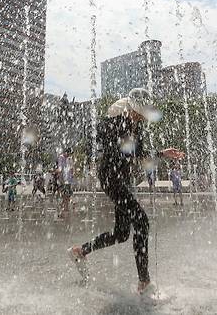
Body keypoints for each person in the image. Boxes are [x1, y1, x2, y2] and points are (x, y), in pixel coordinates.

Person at [67, 88, 184, 294]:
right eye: (137, 113)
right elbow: (101, 139)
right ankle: (144, 282)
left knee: (121, 234)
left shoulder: (135, 124)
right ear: (130, 107)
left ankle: (81, 250)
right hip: (111, 178)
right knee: (141, 221)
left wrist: (162, 153)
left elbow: (138, 153)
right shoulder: (113, 121)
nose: (140, 117)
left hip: (122, 178)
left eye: (142, 114)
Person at [57, 148, 75, 218]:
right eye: (68, 153)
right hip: (64, 179)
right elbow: (60, 168)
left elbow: (72, 168)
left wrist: (73, 173)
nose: (68, 155)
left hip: (67, 179)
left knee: (66, 193)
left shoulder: (69, 158)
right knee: (65, 193)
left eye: (69, 153)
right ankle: (65, 206)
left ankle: (65, 206)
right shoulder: (61, 158)